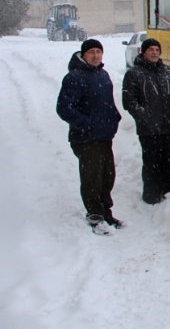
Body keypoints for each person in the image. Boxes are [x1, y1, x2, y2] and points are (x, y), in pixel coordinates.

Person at [57, 39, 124, 235]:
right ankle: (95, 215)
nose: (96, 56)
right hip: (86, 139)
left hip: (104, 136)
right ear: (83, 54)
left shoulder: (103, 74)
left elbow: (107, 103)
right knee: (92, 178)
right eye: (91, 52)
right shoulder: (74, 77)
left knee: (107, 176)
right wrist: (86, 124)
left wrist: (114, 117)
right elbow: (64, 108)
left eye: (98, 52)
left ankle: (106, 211)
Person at [122, 38, 170, 204]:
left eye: (157, 49)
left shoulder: (168, 72)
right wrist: (144, 117)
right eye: (151, 49)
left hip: (169, 126)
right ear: (143, 52)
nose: (154, 52)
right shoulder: (134, 74)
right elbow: (129, 101)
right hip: (149, 129)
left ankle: (167, 191)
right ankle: (151, 195)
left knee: (168, 160)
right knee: (151, 163)